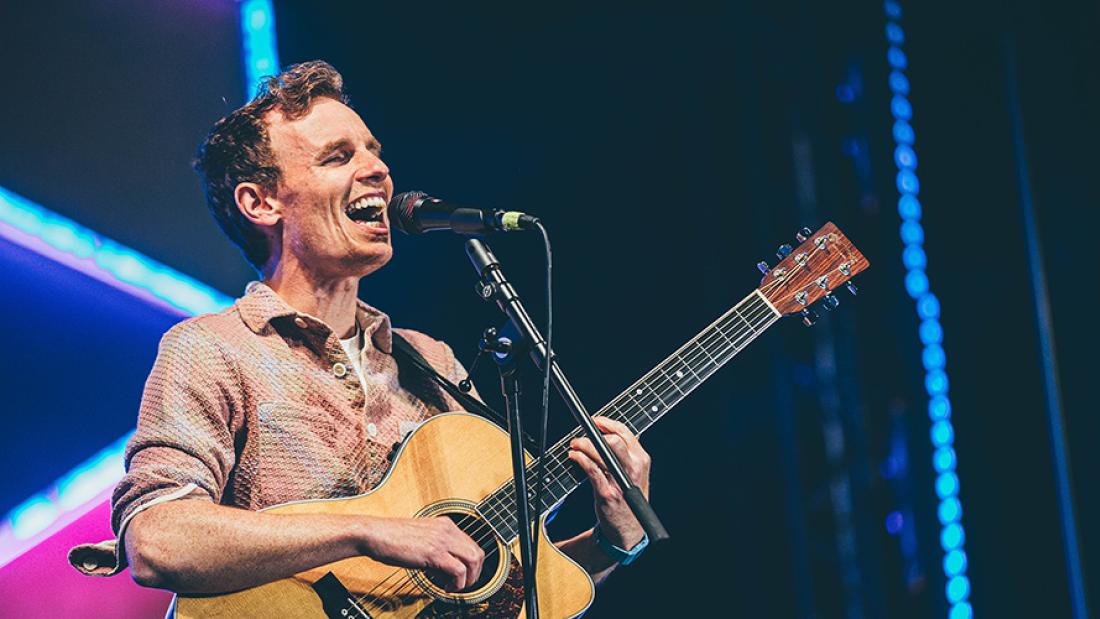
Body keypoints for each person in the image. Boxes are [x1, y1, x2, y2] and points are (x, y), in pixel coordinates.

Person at [69, 60, 651, 599]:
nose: (378, 169)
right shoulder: (213, 349)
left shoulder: (430, 363)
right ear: (261, 202)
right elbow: (158, 540)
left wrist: (609, 544)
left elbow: (496, 589)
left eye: (373, 151)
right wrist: (368, 532)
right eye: (337, 156)